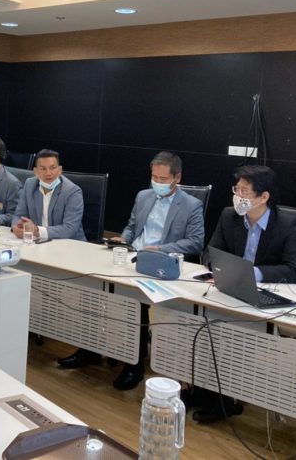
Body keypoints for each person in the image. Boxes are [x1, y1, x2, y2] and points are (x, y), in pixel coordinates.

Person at [60, 152, 204, 390]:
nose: (157, 182)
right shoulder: (143, 196)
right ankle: (90, 348)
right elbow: (132, 226)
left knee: (133, 301)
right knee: (93, 287)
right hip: (131, 255)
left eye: (163, 179)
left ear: (177, 178)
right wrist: (123, 238)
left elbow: (195, 242)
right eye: (154, 177)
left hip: (160, 263)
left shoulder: (191, 205)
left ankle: (134, 365)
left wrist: (161, 248)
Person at [194, 164, 296, 422]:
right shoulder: (229, 216)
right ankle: (200, 389)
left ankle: (224, 399)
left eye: (244, 191)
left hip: (266, 297)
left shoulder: (287, 224)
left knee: (228, 330)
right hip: (230, 289)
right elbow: (209, 252)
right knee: (198, 319)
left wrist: (254, 273)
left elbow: (294, 269)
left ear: (264, 197)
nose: (238, 196)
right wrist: (220, 267)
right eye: (236, 189)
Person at [12, 149, 85, 241]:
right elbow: (19, 215)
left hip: (69, 244)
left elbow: (70, 228)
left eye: (52, 168)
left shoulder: (72, 192)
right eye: (43, 169)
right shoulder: (29, 185)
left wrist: (37, 230)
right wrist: (16, 226)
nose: (48, 173)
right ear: (35, 171)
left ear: (60, 170)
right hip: (38, 241)